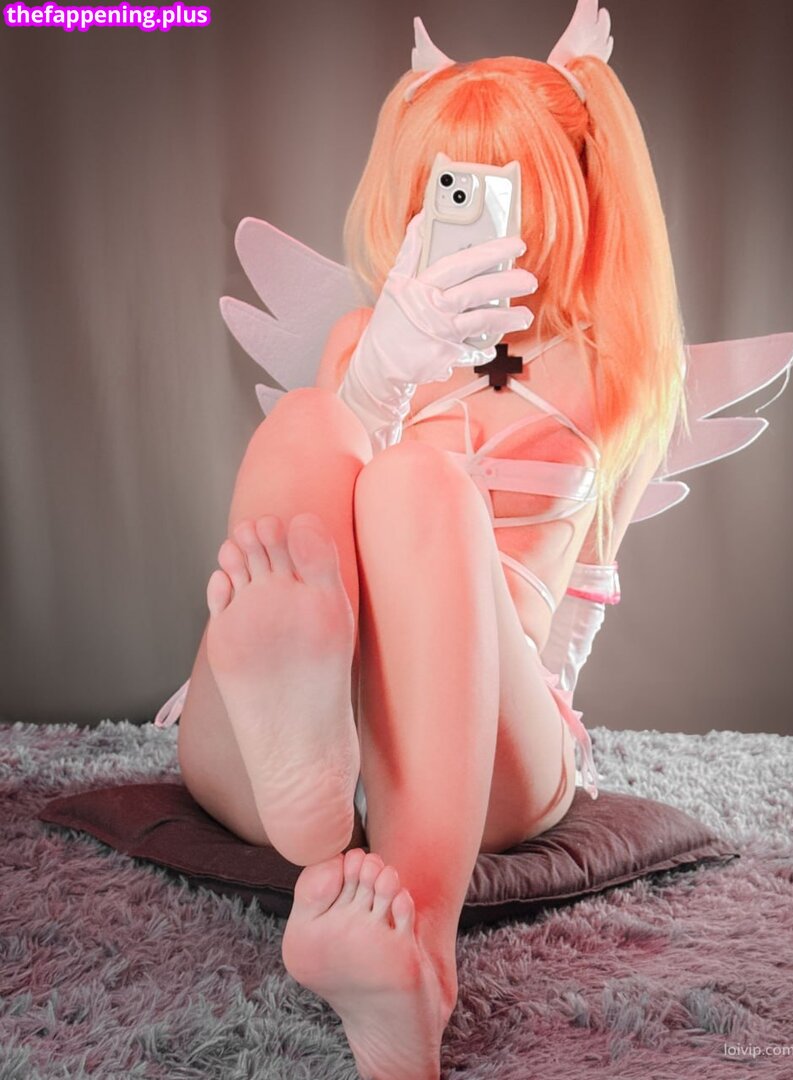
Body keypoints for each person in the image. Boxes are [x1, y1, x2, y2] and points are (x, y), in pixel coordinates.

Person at [173, 10, 687, 1078]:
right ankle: (304, 744)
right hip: (315, 729)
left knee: (417, 482)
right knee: (313, 425)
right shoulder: (365, 339)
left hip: (487, 743)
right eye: (453, 187)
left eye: (505, 190)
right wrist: (380, 377)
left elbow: (584, 597)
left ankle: (417, 955)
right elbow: (319, 497)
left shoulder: (612, 373)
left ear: (571, 195)